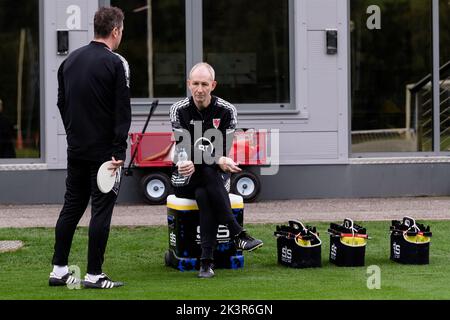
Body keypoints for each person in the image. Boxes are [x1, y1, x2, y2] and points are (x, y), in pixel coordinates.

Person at [49, 6, 131, 289]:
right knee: (101, 211)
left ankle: (59, 270)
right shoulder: (115, 63)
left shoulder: (69, 61)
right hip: (105, 154)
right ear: (116, 30)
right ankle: (94, 274)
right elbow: (122, 111)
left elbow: (62, 103)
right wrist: (119, 151)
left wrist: (72, 133)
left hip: (77, 149)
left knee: (71, 206)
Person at [170, 62, 263, 279]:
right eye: (195, 84)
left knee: (205, 190)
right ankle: (237, 232)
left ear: (213, 85)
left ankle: (206, 264)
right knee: (207, 173)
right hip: (184, 177)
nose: (199, 89)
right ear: (188, 84)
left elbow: (223, 150)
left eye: (204, 84)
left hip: (214, 177)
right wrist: (193, 159)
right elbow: (183, 148)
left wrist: (205, 158)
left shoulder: (227, 111)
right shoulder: (178, 109)